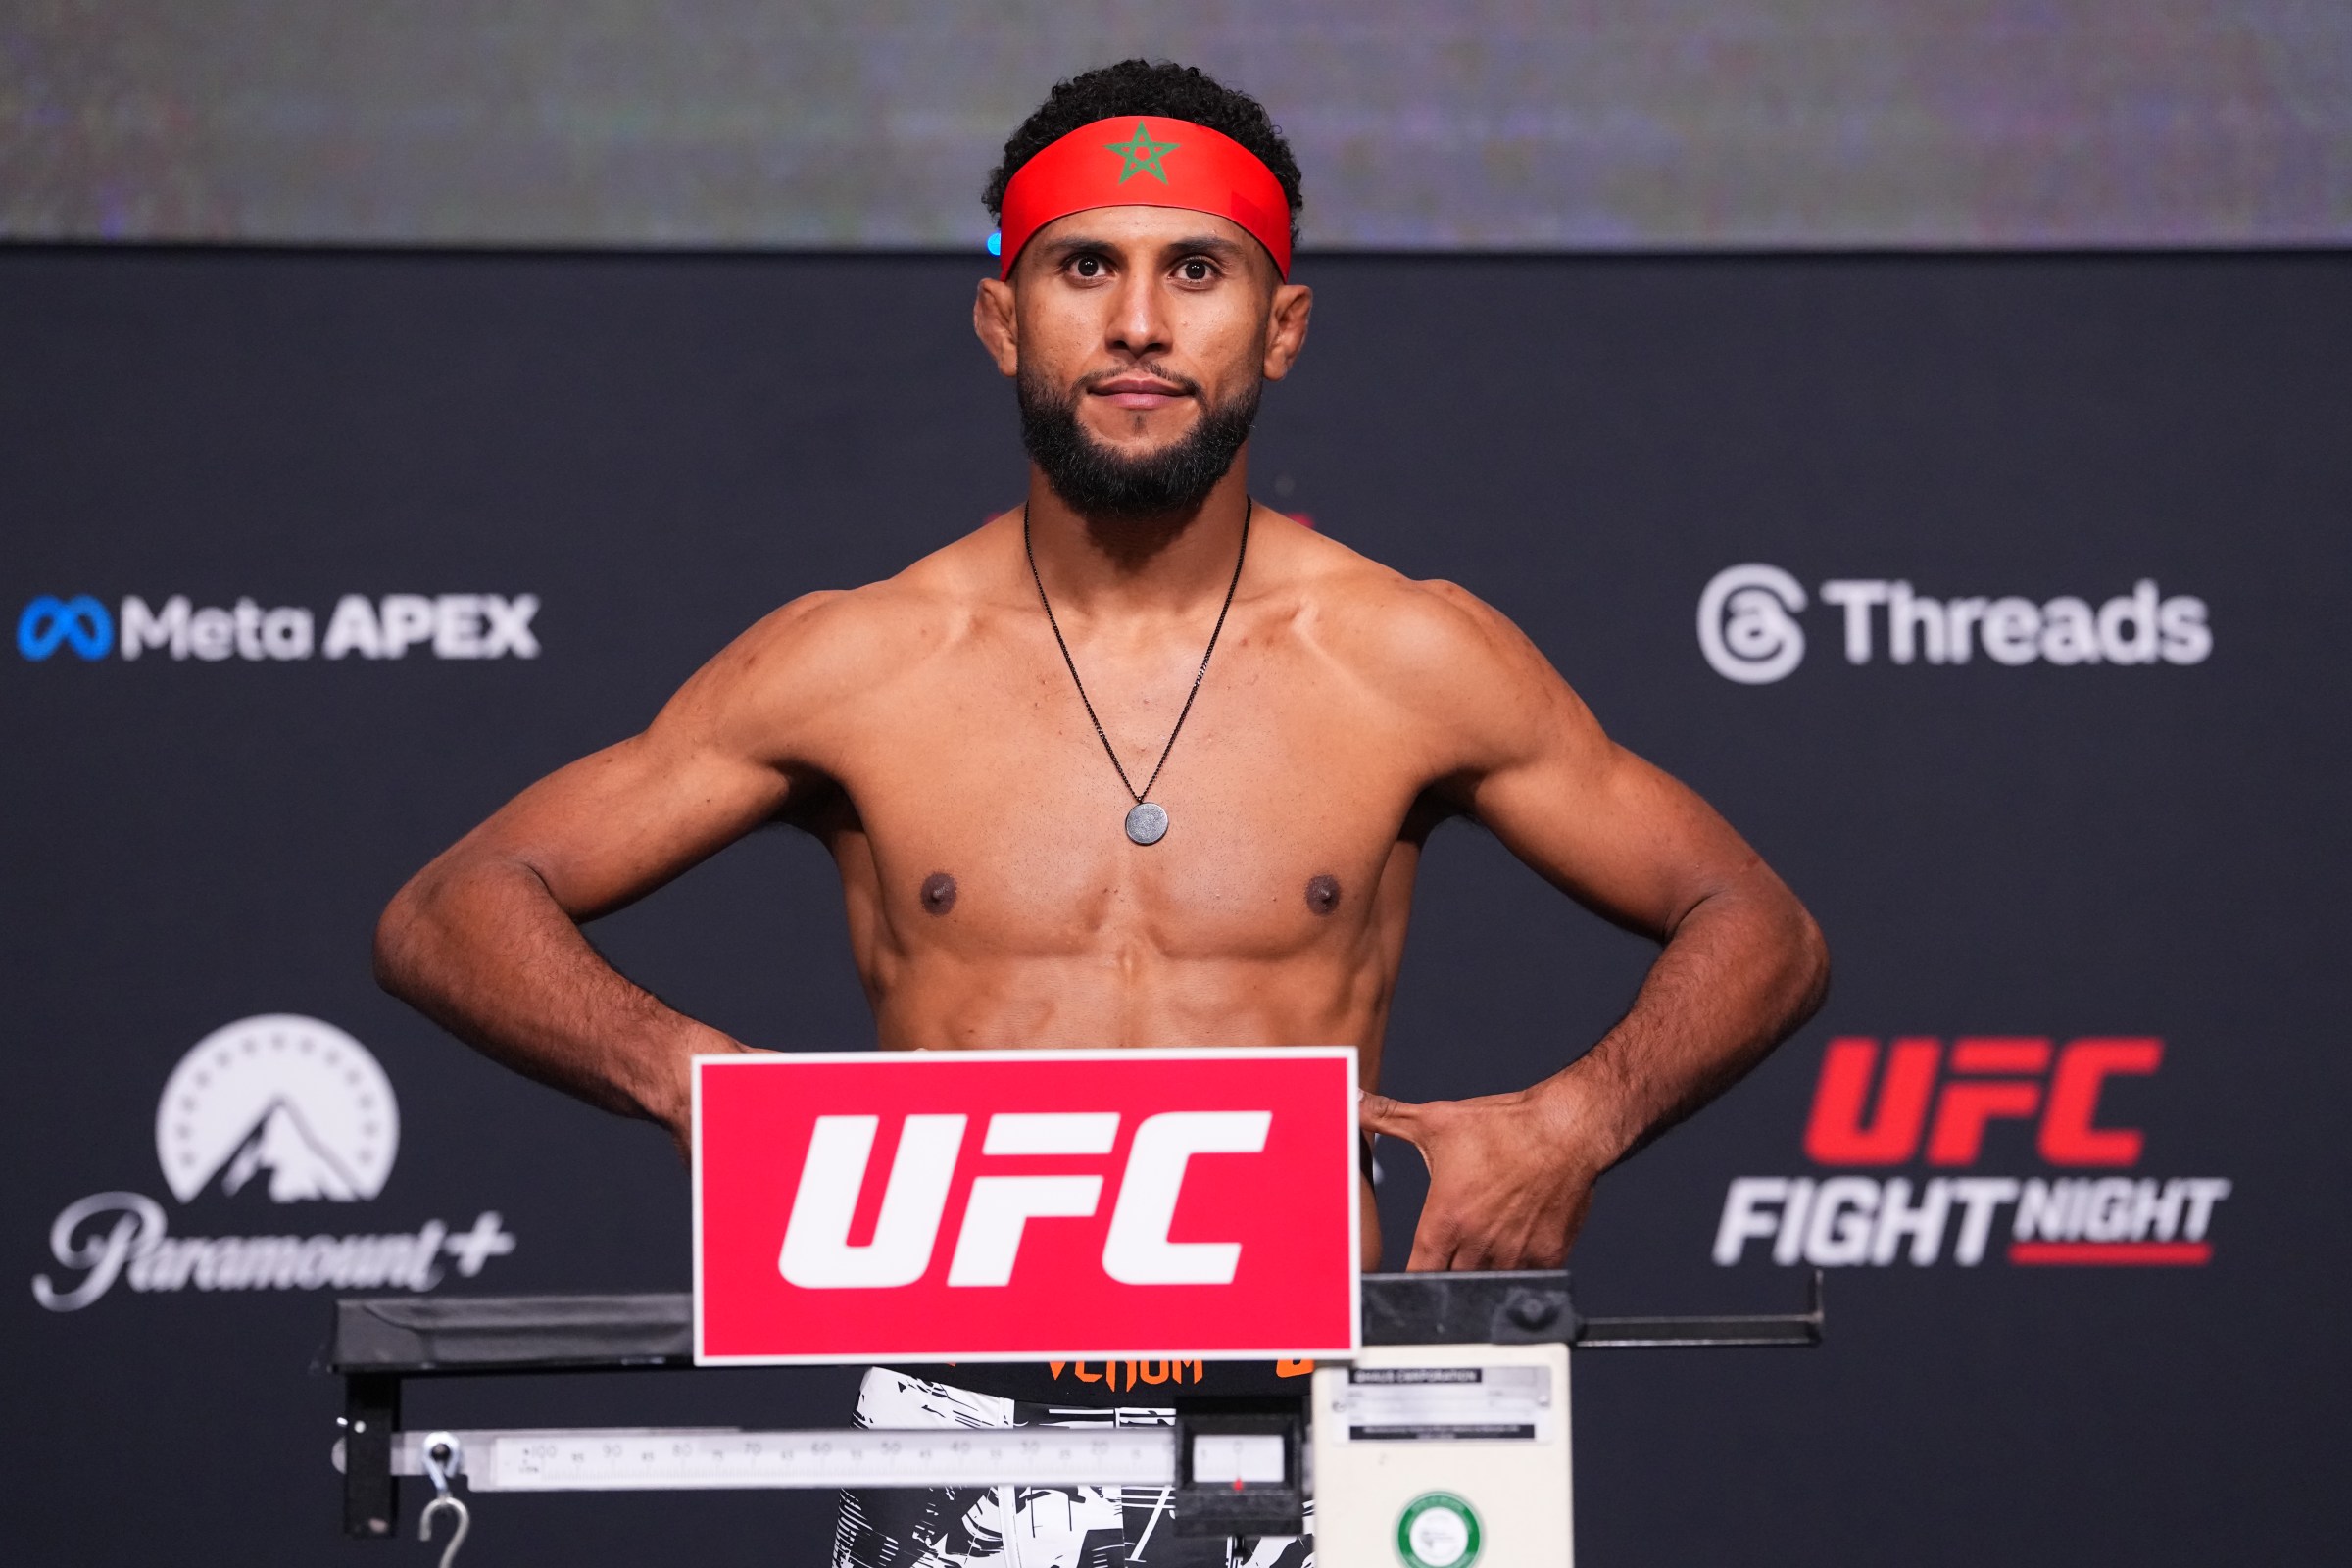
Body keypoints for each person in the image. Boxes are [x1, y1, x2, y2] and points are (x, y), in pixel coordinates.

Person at [374, 58, 1828, 1568]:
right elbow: (449, 908)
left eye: (1195, 270)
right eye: (1084, 268)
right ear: (1003, 318)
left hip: (1321, 1403)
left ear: (1281, 325)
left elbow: (1761, 927)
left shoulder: (1407, 656)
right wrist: (692, 1080)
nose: (1139, 323)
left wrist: (1576, 1122)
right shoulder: (859, 661)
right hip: (960, 1418)